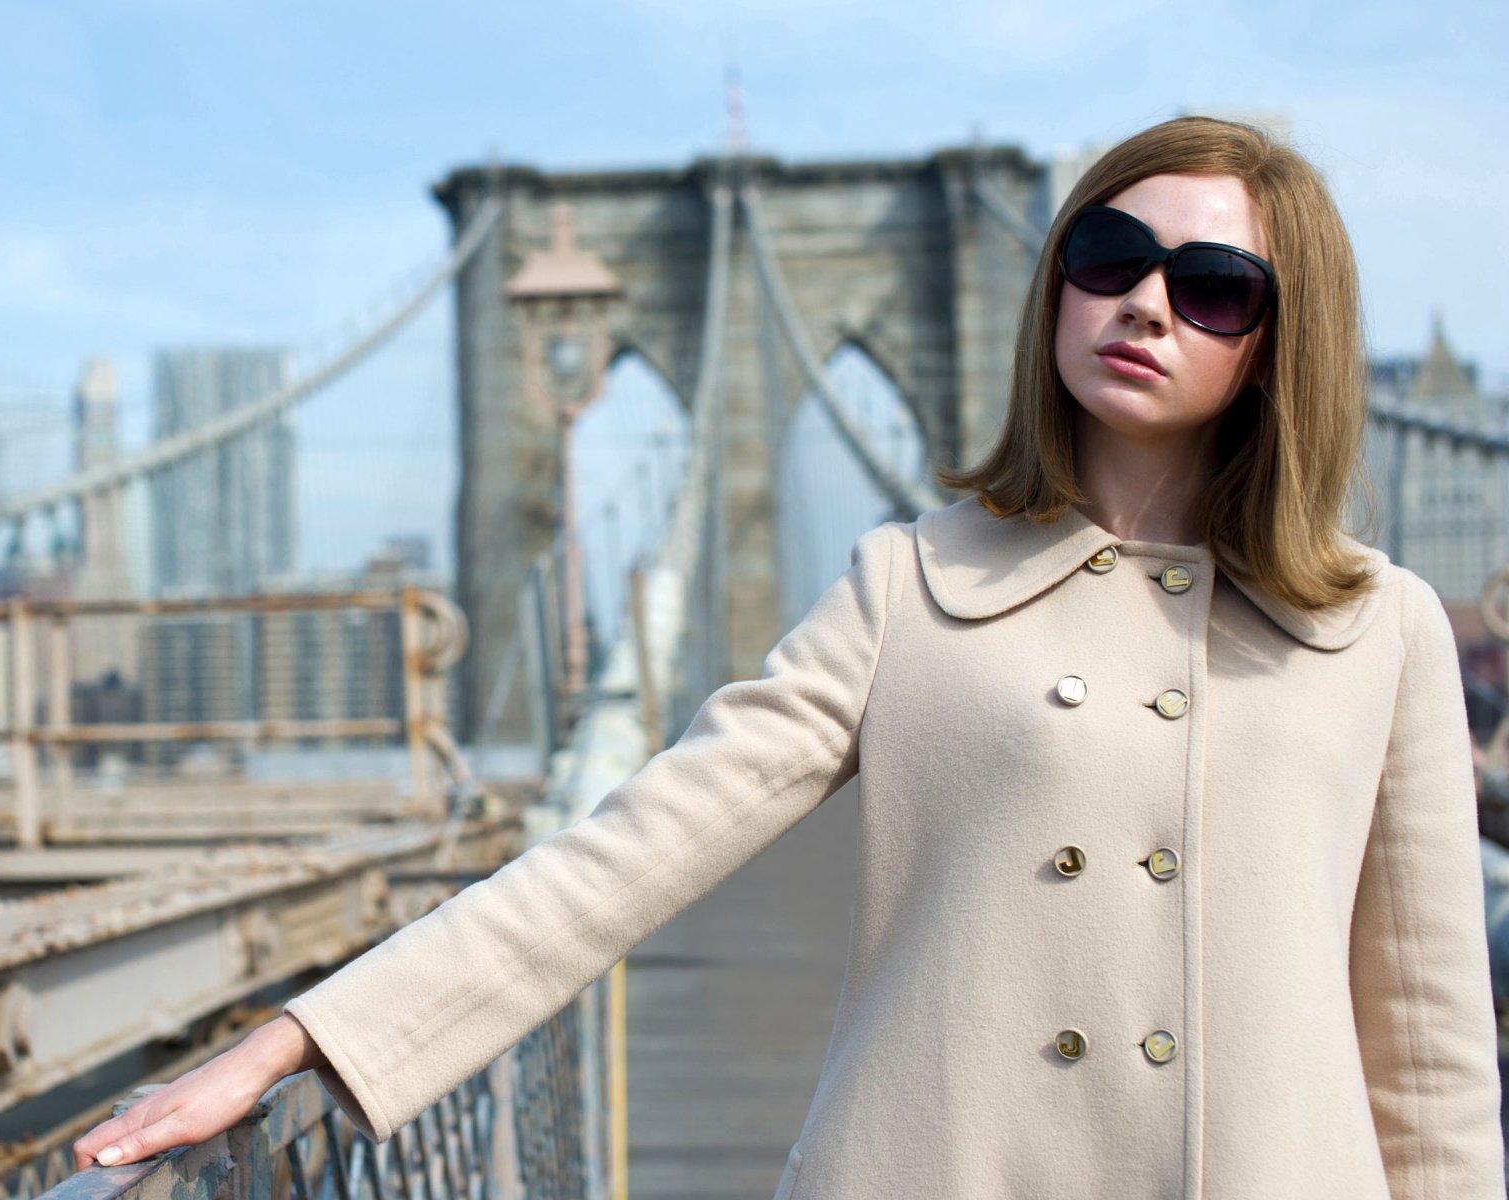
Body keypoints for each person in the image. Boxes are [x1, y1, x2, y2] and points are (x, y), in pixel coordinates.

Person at [75, 117, 1505, 1196]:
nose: (1143, 304)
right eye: (1108, 259)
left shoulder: (1377, 632)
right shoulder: (908, 588)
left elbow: (1432, 1064)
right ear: (1055, 286)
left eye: (1212, 287)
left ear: (1278, 342)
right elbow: (626, 851)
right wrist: (306, 1040)